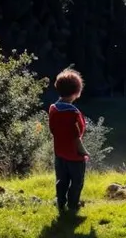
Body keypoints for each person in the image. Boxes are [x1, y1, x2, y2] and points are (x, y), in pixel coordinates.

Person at [49, 68, 89, 213]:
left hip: (59, 152)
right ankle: (73, 204)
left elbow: (52, 129)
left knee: (61, 180)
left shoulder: (53, 108)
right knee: (76, 182)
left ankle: (60, 202)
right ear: (76, 92)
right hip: (74, 155)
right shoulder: (74, 113)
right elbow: (80, 131)